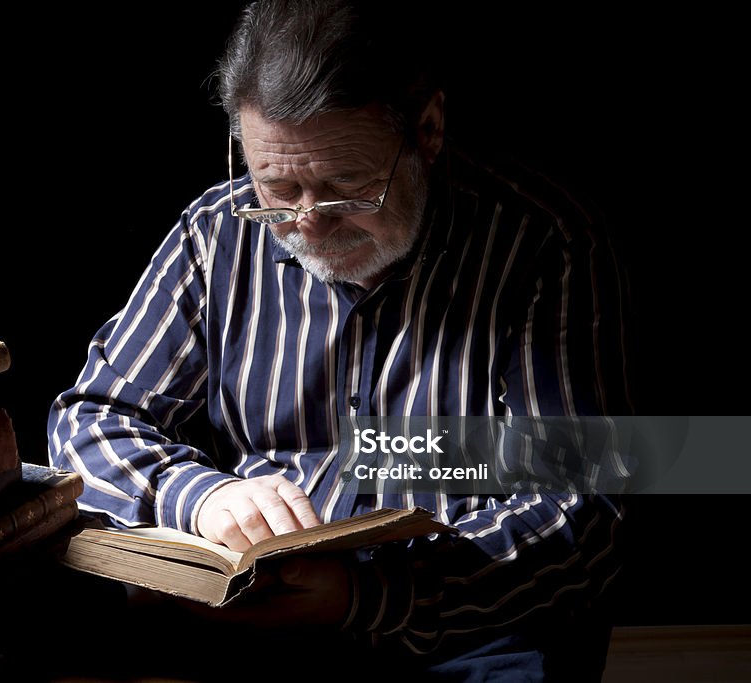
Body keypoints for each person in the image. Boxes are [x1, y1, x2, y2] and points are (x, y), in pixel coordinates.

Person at [48, 1, 632, 679]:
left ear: (429, 131)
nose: (306, 225)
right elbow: (92, 417)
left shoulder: (545, 247)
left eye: (346, 189)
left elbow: (588, 510)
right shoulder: (216, 233)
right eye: (275, 184)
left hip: (459, 627)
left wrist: (366, 594)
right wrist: (197, 493)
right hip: (240, 619)